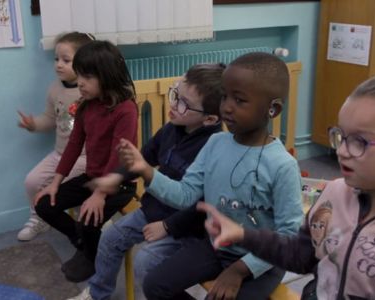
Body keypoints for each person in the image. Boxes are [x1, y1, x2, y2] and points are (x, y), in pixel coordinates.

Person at [198, 71, 375, 300]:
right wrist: (244, 235)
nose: (343, 151)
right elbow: (300, 256)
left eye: (361, 141)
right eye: (341, 136)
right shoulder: (335, 194)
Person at [100, 52, 303, 300]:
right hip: (216, 246)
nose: (227, 106)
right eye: (225, 97)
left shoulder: (283, 165)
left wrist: (239, 271)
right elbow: (185, 195)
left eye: (239, 100)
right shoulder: (216, 143)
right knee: (154, 284)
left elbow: (288, 236)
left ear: (273, 109)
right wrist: (146, 171)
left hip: (261, 260)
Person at [67, 63, 225, 300]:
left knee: (146, 263)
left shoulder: (215, 147)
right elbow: (145, 157)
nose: (173, 104)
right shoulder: (172, 128)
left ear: (210, 118)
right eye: (175, 93)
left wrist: (167, 226)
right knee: (110, 240)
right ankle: (98, 293)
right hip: (155, 210)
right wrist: (115, 177)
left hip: (188, 226)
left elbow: (201, 204)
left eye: (182, 102)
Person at [34, 40, 138, 283]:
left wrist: (100, 195)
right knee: (45, 205)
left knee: (89, 218)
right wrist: (55, 183)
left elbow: (118, 156)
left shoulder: (126, 109)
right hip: (93, 177)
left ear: (107, 76)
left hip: (119, 183)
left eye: (87, 77)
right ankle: (84, 244)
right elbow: (73, 146)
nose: (80, 82)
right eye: (79, 75)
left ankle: (91, 257)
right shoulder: (85, 106)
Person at [17, 32, 94, 241]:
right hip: (60, 153)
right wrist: (33, 124)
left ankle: (89, 224)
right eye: (56, 59)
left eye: (66, 60)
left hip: (85, 158)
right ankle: (39, 219)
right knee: (31, 181)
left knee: (70, 188)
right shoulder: (54, 89)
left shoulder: (90, 91)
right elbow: (51, 119)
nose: (59, 64)